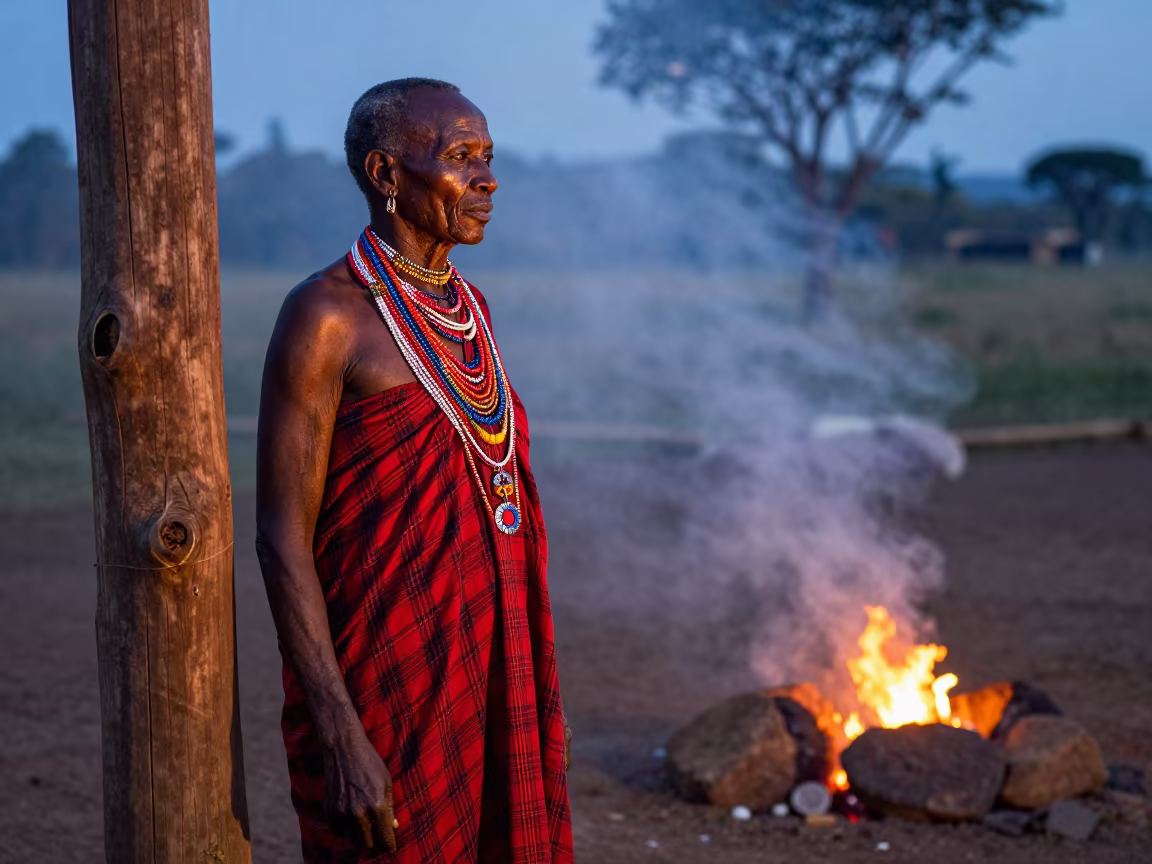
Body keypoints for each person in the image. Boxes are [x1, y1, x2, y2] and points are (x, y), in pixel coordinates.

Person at [255, 78, 573, 863]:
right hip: (384, 689)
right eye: (460, 157)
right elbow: (280, 539)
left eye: (488, 157)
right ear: (386, 174)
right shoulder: (326, 316)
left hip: (491, 673)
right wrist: (339, 733)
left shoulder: (471, 310)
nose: (488, 178)